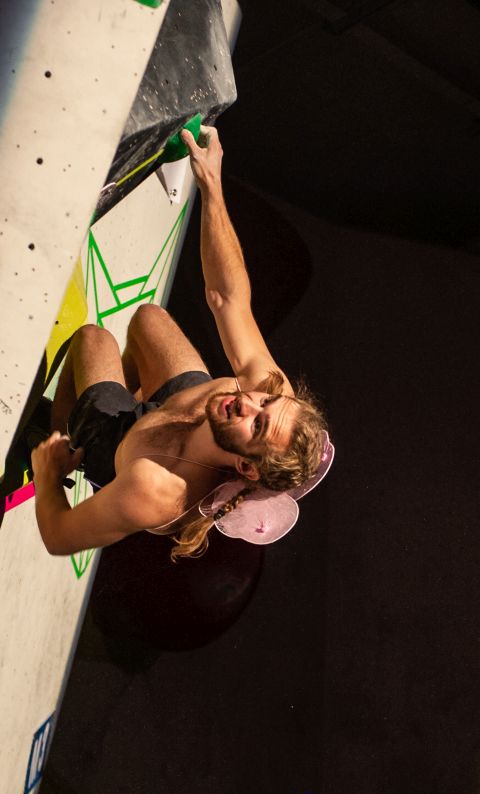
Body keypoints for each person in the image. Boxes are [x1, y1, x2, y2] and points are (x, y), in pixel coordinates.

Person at [30, 125, 333, 561]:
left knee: (92, 340)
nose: (249, 402)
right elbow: (226, 298)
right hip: (173, 411)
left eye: (258, 425)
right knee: (150, 318)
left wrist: (47, 476)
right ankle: (120, 398)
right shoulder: (269, 391)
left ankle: (65, 446)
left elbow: (59, 538)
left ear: (246, 466)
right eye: (266, 405)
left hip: (126, 449)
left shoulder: (155, 489)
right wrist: (210, 183)